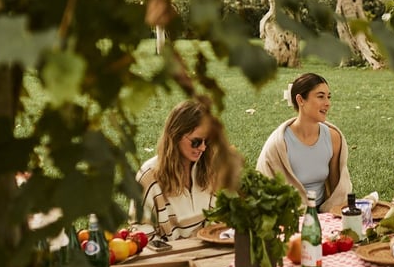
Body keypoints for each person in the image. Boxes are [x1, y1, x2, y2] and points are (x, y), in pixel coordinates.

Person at [134, 99, 241, 240]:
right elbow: (142, 234)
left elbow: (218, 223)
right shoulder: (149, 177)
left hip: (208, 252)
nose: (202, 148)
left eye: (206, 141)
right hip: (169, 257)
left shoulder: (210, 169)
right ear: (175, 136)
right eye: (196, 142)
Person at [256, 72, 352, 212]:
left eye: (328, 97)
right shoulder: (279, 143)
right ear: (300, 100)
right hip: (288, 214)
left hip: (321, 213)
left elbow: (337, 192)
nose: (327, 103)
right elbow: (265, 192)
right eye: (320, 97)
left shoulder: (333, 137)